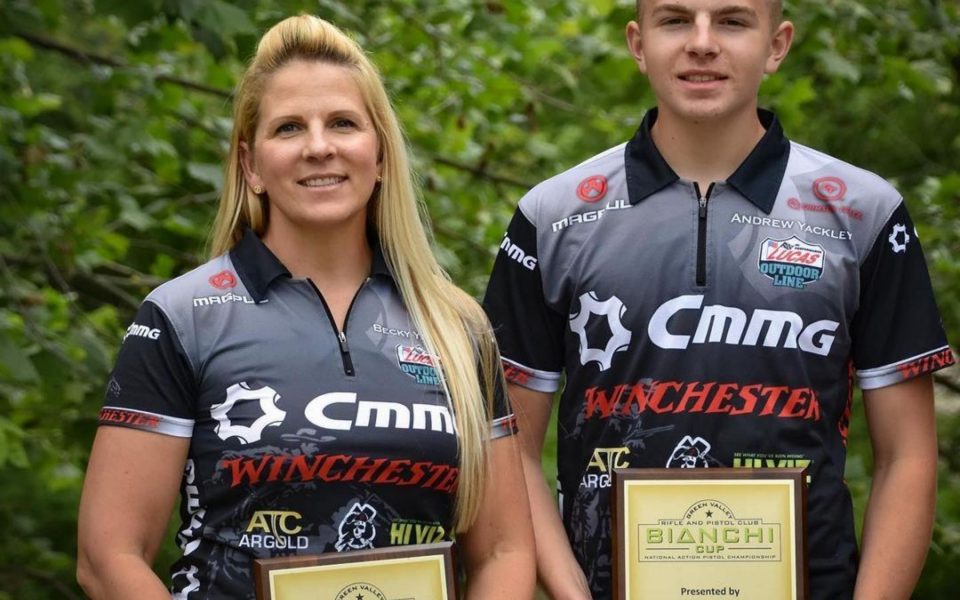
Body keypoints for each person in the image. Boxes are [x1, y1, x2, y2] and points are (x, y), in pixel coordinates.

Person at [482, 1, 954, 598]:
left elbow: (906, 456)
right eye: (676, 20)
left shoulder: (865, 212)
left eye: (732, 21)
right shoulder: (553, 216)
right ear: (637, 44)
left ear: (777, 45)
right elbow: (508, 452)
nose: (702, 42)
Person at [77, 15, 535, 599]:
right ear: (251, 165)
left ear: (381, 155)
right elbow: (108, 557)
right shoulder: (183, 317)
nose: (319, 147)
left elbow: (503, 551)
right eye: (289, 127)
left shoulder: (457, 327)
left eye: (343, 123)